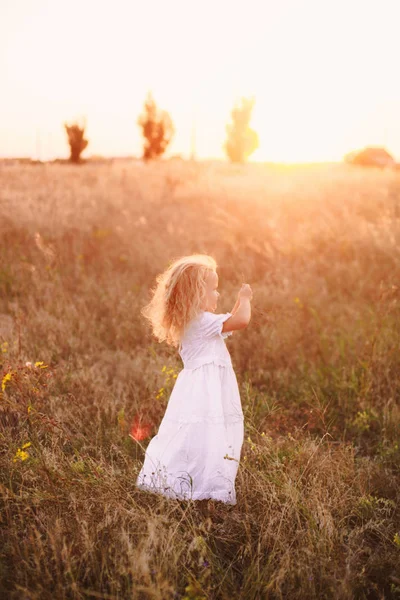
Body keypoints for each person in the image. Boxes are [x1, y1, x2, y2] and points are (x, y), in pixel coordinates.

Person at [135, 254, 252, 505]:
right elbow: (241, 320)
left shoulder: (195, 322)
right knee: (208, 434)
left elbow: (229, 322)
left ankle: (195, 483)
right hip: (205, 390)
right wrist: (244, 299)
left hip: (199, 388)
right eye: (213, 290)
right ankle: (202, 486)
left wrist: (234, 304)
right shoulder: (202, 322)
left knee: (199, 434)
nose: (218, 295)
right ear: (195, 294)